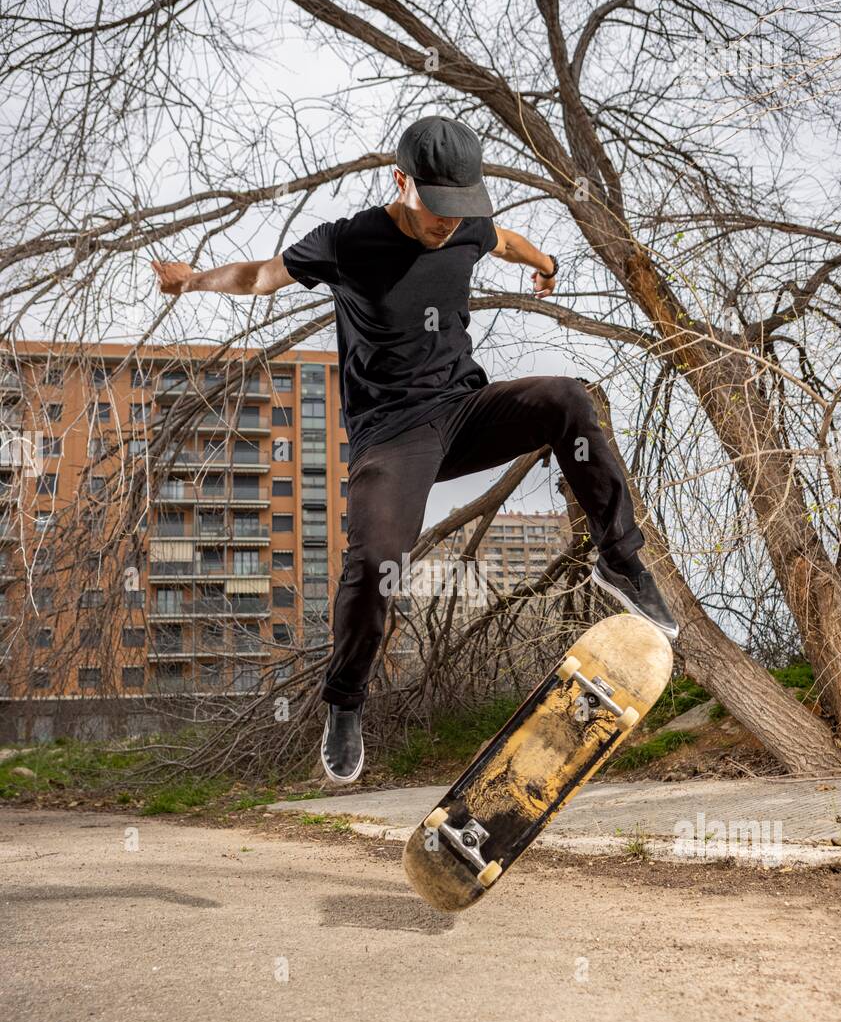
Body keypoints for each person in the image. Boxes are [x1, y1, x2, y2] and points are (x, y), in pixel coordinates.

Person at [153, 115, 678, 784]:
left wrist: (546, 265)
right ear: (400, 182)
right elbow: (259, 275)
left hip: (463, 413)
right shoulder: (346, 242)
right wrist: (191, 280)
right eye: (434, 210)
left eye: (458, 212)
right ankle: (344, 704)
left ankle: (619, 561)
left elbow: (506, 241)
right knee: (375, 564)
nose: (445, 226)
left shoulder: (467, 226)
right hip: (391, 436)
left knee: (566, 399)